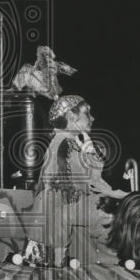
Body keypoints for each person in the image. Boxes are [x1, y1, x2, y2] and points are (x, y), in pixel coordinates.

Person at [34, 94, 128, 266]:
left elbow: (92, 181)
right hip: (65, 216)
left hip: (72, 213)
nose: (92, 118)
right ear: (71, 116)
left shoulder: (74, 143)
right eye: (88, 113)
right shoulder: (63, 144)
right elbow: (80, 185)